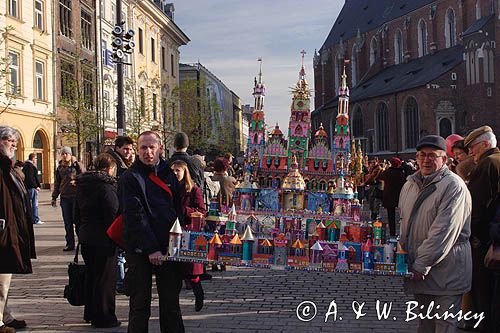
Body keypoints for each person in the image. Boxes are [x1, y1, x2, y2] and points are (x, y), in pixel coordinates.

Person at [398, 135, 472, 332]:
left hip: (446, 271)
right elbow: (405, 223)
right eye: (422, 155)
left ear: (444, 160)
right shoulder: (409, 185)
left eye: (433, 155)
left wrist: (421, 264)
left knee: (444, 326)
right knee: (425, 325)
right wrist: (402, 255)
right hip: (419, 271)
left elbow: (444, 231)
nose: (426, 160)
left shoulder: (453, 186)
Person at [119, 131, 184, 333]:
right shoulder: (131, 177)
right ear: (137, 151)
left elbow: (178, 210)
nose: (148, 152)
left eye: (152, 147)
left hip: (168, 248)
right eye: (143, 148)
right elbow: (134, 216)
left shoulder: (170, 174)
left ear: (160, 149)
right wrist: (151, 248)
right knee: (139, 305)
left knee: (171, 305)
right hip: (141, 249)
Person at [74, 153, 120, 328]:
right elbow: (113, 213)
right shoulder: (106, 187)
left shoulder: (83, 185)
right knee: (105, 279)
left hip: (86, 236)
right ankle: (105, 316)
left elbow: (75, 215)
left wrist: (81, 230)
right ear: (110, 168)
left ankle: (91, 312)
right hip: (104, 239)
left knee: (92, 276)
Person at [464, 126, 500, 332]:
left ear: (485, 144)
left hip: (485, 240)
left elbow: (476, 206)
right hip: (493, 236)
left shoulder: (487, 164)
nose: (471, 153)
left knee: (482, 290)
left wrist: (473, 234)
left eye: (473, 148)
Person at [0, 126, 36, 333]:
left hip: (12, 227)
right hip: (3, 229)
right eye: (8, 139)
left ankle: (5, 315)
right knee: (2, 278)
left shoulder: (10, 167)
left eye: (14, 140)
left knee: (6, 275)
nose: (12, 144)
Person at [170, 160, 206, 312]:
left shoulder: (193, 189)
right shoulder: (168, 188)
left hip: (188, 232)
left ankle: (198, 293)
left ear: (185, 172)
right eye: (173, 170)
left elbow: (201, 211)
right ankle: (173, 304)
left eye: (178, 170)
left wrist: (185, 210)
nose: (175, 173)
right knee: (174, 272)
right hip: (171, 232)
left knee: (190, 271)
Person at [106, 136, 134, 294]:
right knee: (119, 251)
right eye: (125, 149)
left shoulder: (121, 161)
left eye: (130, 149)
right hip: (118, 209)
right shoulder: (116, 162)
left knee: (120, 251)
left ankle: (120, 281)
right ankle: (120, 282)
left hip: (119, 207)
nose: (128, 152)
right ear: (117, 148)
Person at [51, 147, 84, 251]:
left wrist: (77, 181)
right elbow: (57, 183)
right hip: (65, 197)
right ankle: (70, 243)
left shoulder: (75, 166)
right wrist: (54, 197)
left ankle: (82, 242)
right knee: (67, 222)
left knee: (77, 221)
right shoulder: (60, 168)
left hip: (76, 197)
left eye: (66, 153)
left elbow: (83, 175)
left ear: (70, 155)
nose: (64, 155)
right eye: (63, 153)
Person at [378, 157, 406, 237]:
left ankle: (392, 232)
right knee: (403, 216)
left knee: (391, 216)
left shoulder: (388, 172)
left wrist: (384, 169)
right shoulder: (402, 172)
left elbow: (380, 176)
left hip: (389, 196)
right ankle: (403, 232)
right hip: (399, 196)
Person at [22, 154, 43, 225]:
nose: (36, 160)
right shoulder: (30, 167)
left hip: (27, 187)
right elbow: (31, 178)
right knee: (34, 204)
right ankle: (35, 219)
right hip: (32, 188)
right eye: (36, 158)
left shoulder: (26, 166)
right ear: (33, 158)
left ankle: (29, 218)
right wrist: (36, 186)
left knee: (28, 203)